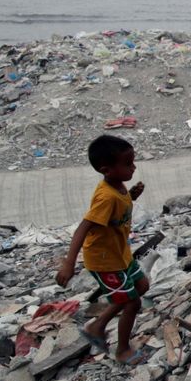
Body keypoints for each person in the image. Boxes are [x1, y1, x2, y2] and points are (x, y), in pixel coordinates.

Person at [55, 134, 149, 364]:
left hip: (119, 254)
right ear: (107, 170)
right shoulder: (106, 197)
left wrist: (131, 197)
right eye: (128, 164)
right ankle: (123, 351)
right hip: (104, 260)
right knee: (132, 302)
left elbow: (118, 210)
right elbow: (83, 229)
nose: (133, 167)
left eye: (133, 161)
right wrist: (69, 263)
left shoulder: (118, 186)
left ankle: (97, 326)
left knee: (141, 286)